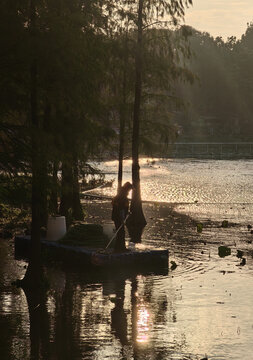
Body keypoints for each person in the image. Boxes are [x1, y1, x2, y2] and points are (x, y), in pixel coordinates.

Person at [111, 182, 133, 251]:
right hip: (118, 217)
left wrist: (127, 212)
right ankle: (120, 248)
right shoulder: (122, 197)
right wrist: (122, 218)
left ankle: (118, 247)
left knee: (120, 232)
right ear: (127, 188)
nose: (130, 191)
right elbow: (121, 209)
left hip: (116, 216)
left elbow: (123, 207)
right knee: (121, 232)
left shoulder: (120, 195)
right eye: (129, 189)